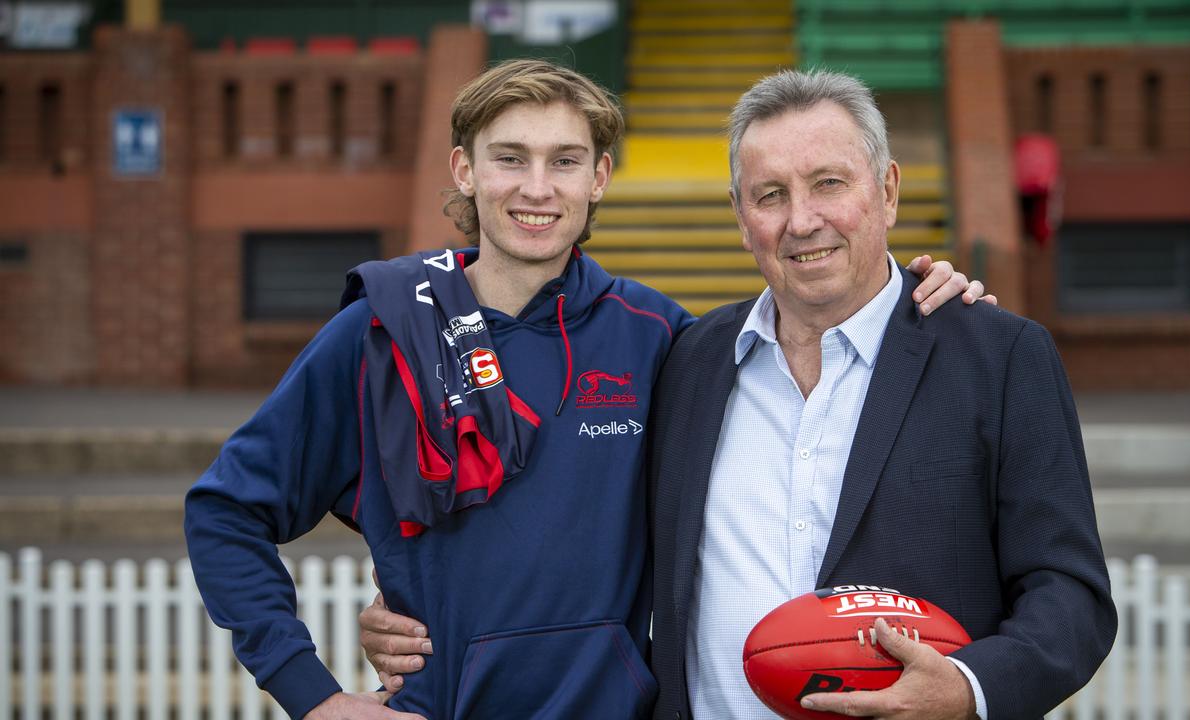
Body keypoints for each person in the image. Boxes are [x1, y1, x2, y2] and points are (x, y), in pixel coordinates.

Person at [185, 59, 987, 720]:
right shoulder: (380, 333)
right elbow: (225, 512)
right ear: (465, 169)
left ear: (599, 177)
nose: (538, 188)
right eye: (510, 158)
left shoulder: (664, 338)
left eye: (565, 160)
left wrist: (923, 296)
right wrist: (311, 694)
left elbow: (813, 322)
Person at [643, 70, 1115, 719]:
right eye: (770, 194)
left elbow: (1070, 595)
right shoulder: (688, 361)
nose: (802, 220)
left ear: (887, 191)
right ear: (741, 217)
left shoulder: (998, 357)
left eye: (829, 183)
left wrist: (968, 688)